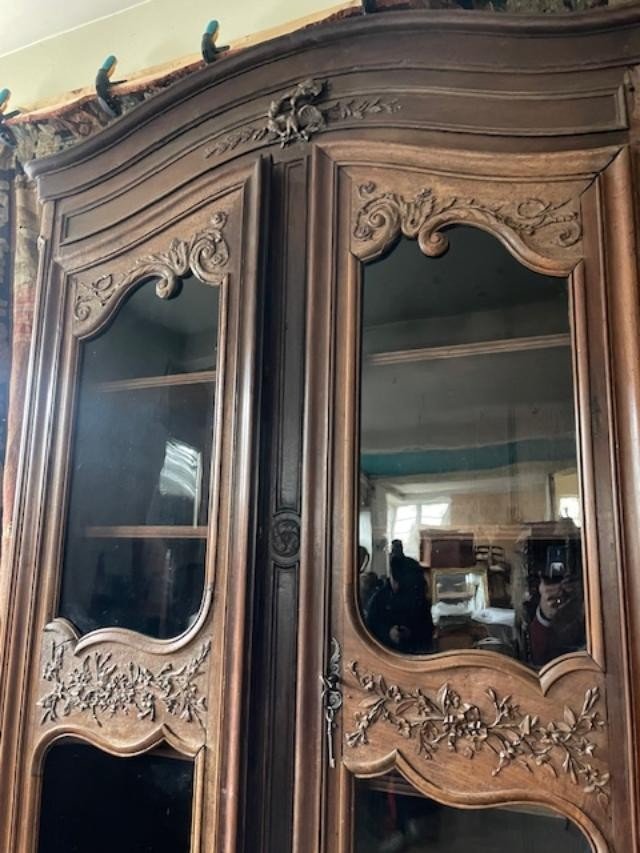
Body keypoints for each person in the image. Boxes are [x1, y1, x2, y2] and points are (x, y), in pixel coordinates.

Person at [365, 550, 434, 654]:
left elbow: (427, 630)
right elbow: (369, 630)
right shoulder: (380, 598)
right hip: (384, 654)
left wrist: (411, 633)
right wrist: (389, 633)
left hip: (416, 653)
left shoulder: (418, 596)